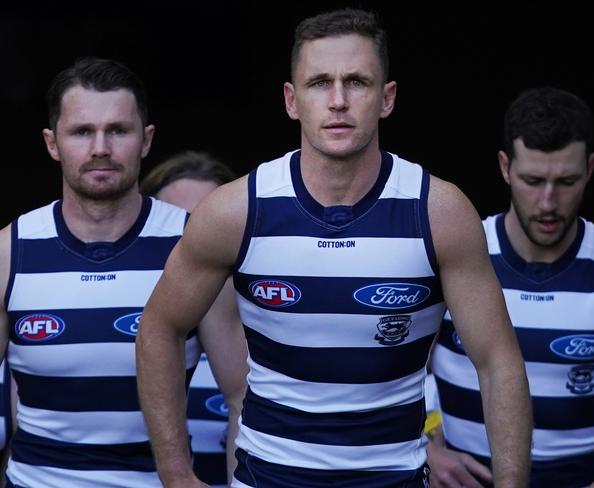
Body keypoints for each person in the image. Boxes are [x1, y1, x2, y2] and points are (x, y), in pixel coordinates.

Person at [136, 8, 533, 488]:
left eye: (358, 82)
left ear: (387, 98)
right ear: (291, 99)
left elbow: (498, 360)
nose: (339, 100)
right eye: (320, 82)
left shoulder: (438, 212)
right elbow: (159, 326)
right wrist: (176, 475)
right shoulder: (237, 209)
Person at [0, 56, 247, 487]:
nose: (100, 148)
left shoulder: (192, 243)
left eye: (118, 130)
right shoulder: (9, 251)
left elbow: (241, 395)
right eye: (82, 132)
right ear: (51, 142)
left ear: (146, 139)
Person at [430, 86, 594, 488]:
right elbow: (386, 374)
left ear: (591, 168)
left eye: (566, 181)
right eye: (533, 180)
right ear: (504, 167)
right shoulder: (457, 250)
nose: (548, 203)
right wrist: (427, 449)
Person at [140, 150, 239, 488]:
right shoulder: (130, 339)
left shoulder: (273, 334)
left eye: (208, 223)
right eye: (180, 223)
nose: (196, 242)